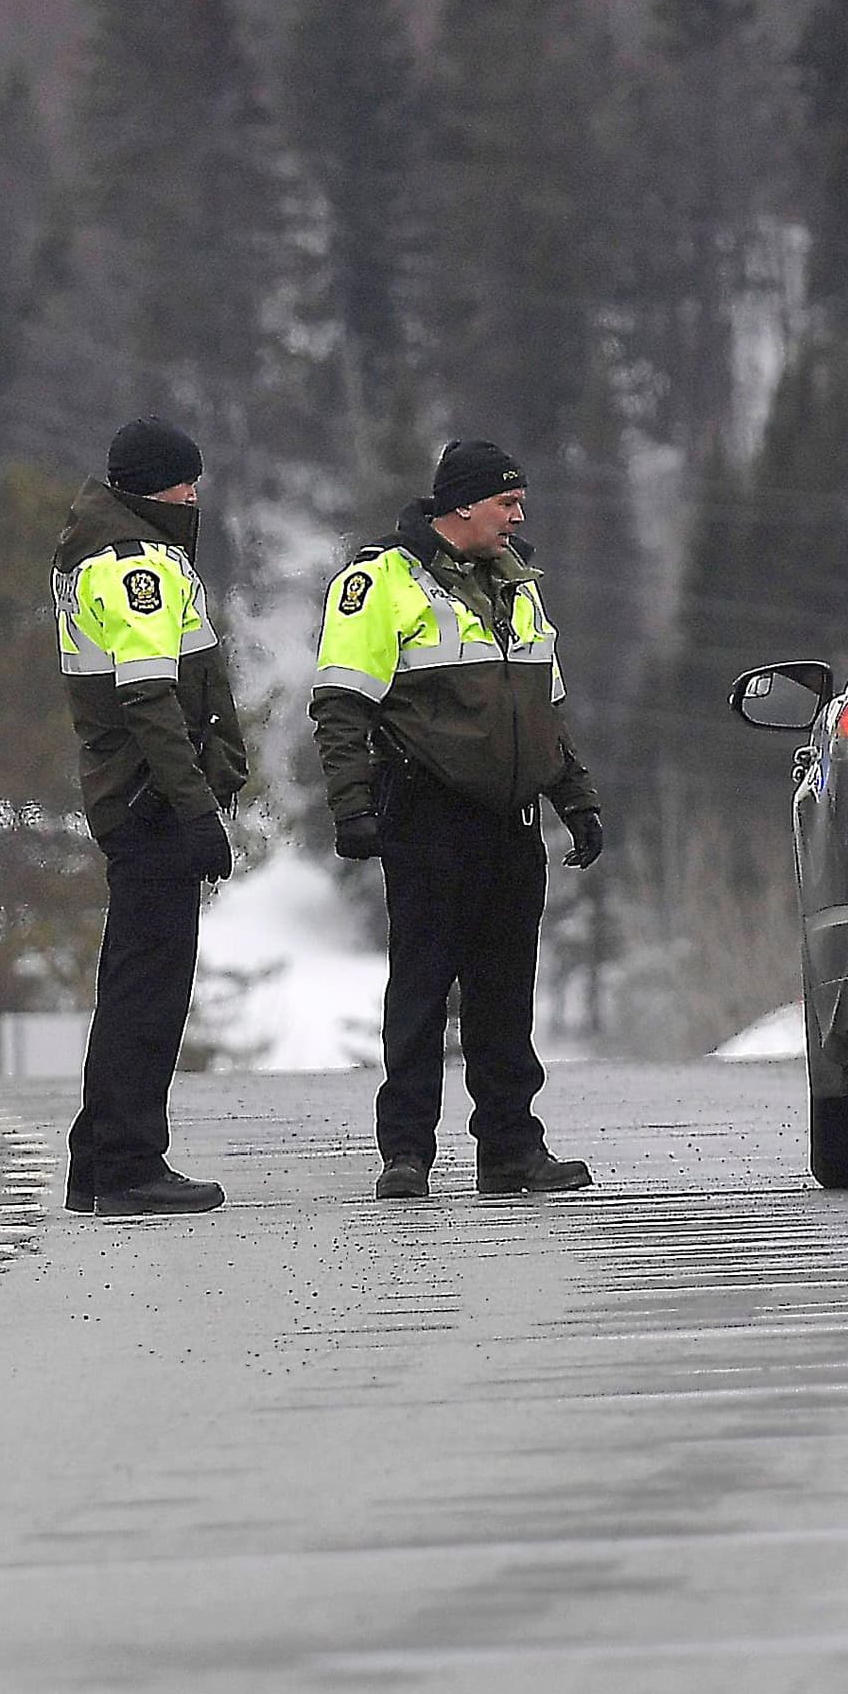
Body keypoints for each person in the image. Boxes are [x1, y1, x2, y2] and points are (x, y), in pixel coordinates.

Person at [314, 439, 606, 1201]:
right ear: (463, 505)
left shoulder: (520, 587)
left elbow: (546, 711)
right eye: (507, 502)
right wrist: (351, 807)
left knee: (506, 996)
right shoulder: (380, 582)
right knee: (420, 991)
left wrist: (575, 799)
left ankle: (510, 1150)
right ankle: (406, 1152)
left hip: (510, 824)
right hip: (429, 816)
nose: (519, 515)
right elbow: (342, 706)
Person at [53, 416, 249, 1216]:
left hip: (131, 795)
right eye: (183, 481)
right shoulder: (135, 566)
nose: (194, 494)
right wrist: (196, 807)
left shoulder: (103, 550)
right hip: (151, 800)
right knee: (150, 991)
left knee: (131, 980)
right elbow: (150, 698)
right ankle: (131, 1162)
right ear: (150, 487)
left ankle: (98, 1159)